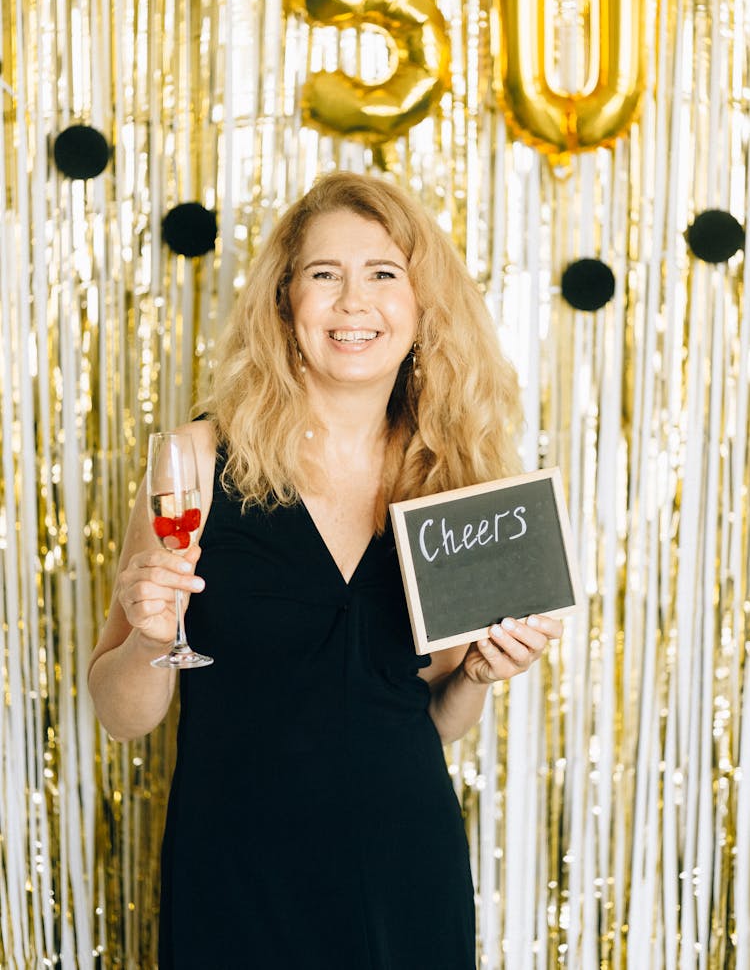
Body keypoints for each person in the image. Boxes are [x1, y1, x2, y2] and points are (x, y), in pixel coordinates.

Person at [88, 171, 563, 969]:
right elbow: (120, 713)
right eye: (323, 275)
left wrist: (479, 674)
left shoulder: (452, 481)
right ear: (285, 303)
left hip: (406, 871)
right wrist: (145, 636)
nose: (353, 303)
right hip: (236, 872)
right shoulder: (197, 460)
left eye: (383, 273)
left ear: (422, 307)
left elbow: (425, 718)